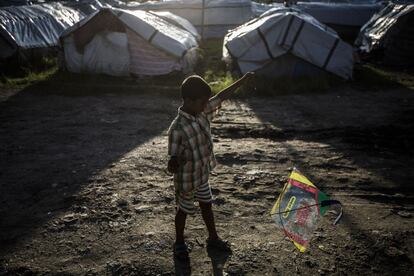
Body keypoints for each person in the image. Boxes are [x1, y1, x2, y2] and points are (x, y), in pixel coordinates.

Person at [167, 72, 254, 259]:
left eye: (207, 102)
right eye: (202, 102)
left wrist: (242, 80)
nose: (207, 105)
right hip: (187, 180)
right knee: (183, 210)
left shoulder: (202, 111)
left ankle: (213, 237)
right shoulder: (177, 128)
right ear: (189, 100)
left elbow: (221, 96)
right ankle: (179, 242)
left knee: (207, 205)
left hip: (202, 176)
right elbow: (171, 164)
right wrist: (176, 162)